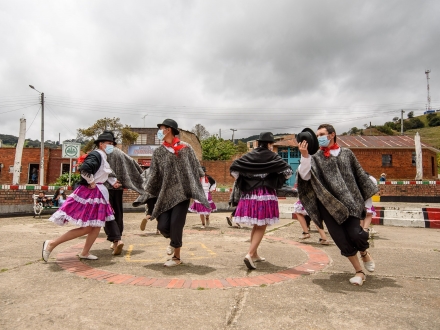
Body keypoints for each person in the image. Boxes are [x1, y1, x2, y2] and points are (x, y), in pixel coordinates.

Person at [297, 125, 378, 286]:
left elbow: (360, 176)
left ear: (332, 134)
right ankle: (359, 272)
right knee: (341, 240)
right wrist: (305, 156)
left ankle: (364, 252)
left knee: (356, 234)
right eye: (317, 134)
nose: (318, 137)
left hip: (351, 203)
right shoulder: (316, 157)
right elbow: (305, 177)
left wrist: (367, 202)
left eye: (322, 134)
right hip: (329, 206)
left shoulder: (347, 153)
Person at [41, 131, 121, 262]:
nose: (111, 145)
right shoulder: (97, 154)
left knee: (96, 226)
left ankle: (85, 252)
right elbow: (84, 169)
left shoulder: (102, 156)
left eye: (112, 143)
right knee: (89, 227)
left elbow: (100, 174)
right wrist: (92, 182)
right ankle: (51, 244)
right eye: (109, 143)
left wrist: (112, 182)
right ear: (101, 144)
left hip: (98, 193)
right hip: (91, 193)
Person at [139, 119, 209, 267]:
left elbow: (195, 167)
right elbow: (154, 174)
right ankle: (174, 241)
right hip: (164, 195)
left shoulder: (186, 147)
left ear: (168, 129)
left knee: (177, 223)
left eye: (161, 128)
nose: (159, 131)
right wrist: (145, 192)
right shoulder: (158, 152)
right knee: (163, 226)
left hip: (182, 194)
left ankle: (176, 257)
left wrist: (198, 183)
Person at [230, 132, 292, 270]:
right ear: (270, 144)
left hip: (249, 195)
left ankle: (255, 254)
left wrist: (247, 180)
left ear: (258, 143)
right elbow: (288, 172)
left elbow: (234, 169)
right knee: (262, 225)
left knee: (256, 225)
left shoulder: (249, 156)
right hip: (265, 194)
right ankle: (250, 254)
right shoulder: (273, 156)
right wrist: (273, 179)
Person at [105, 145, 148, 256]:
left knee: (108, 214)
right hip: (118, 188)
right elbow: (133, 163)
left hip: (105, 188)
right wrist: (141, 176)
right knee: (118, 213)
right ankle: (116, 239)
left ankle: (116, 240)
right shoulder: (119, 152)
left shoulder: (101, 152)